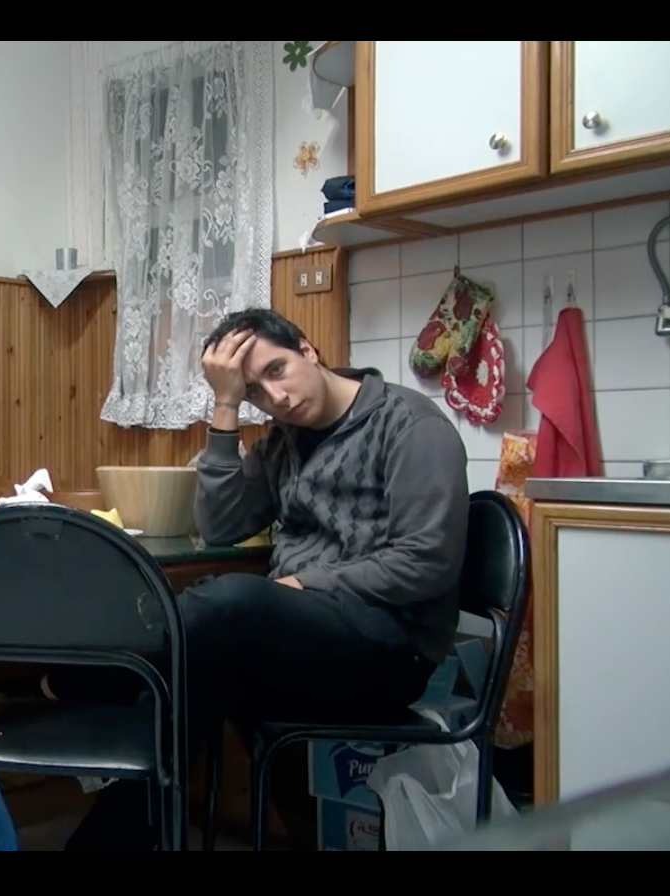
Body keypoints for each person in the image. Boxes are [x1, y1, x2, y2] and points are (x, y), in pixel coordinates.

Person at [50, 307, 470, 850]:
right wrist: (225, 407)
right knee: (189, 690)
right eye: (254, 392)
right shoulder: (283, 441)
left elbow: (426, 560)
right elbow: (220, 525)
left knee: (235, 602)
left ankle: (95, 671)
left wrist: (305, 584)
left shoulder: (410, 425)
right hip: (303, 640)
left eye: (277, 370)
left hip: (392, 648)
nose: (276, 397)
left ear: (308, 349)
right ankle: (104, 840)